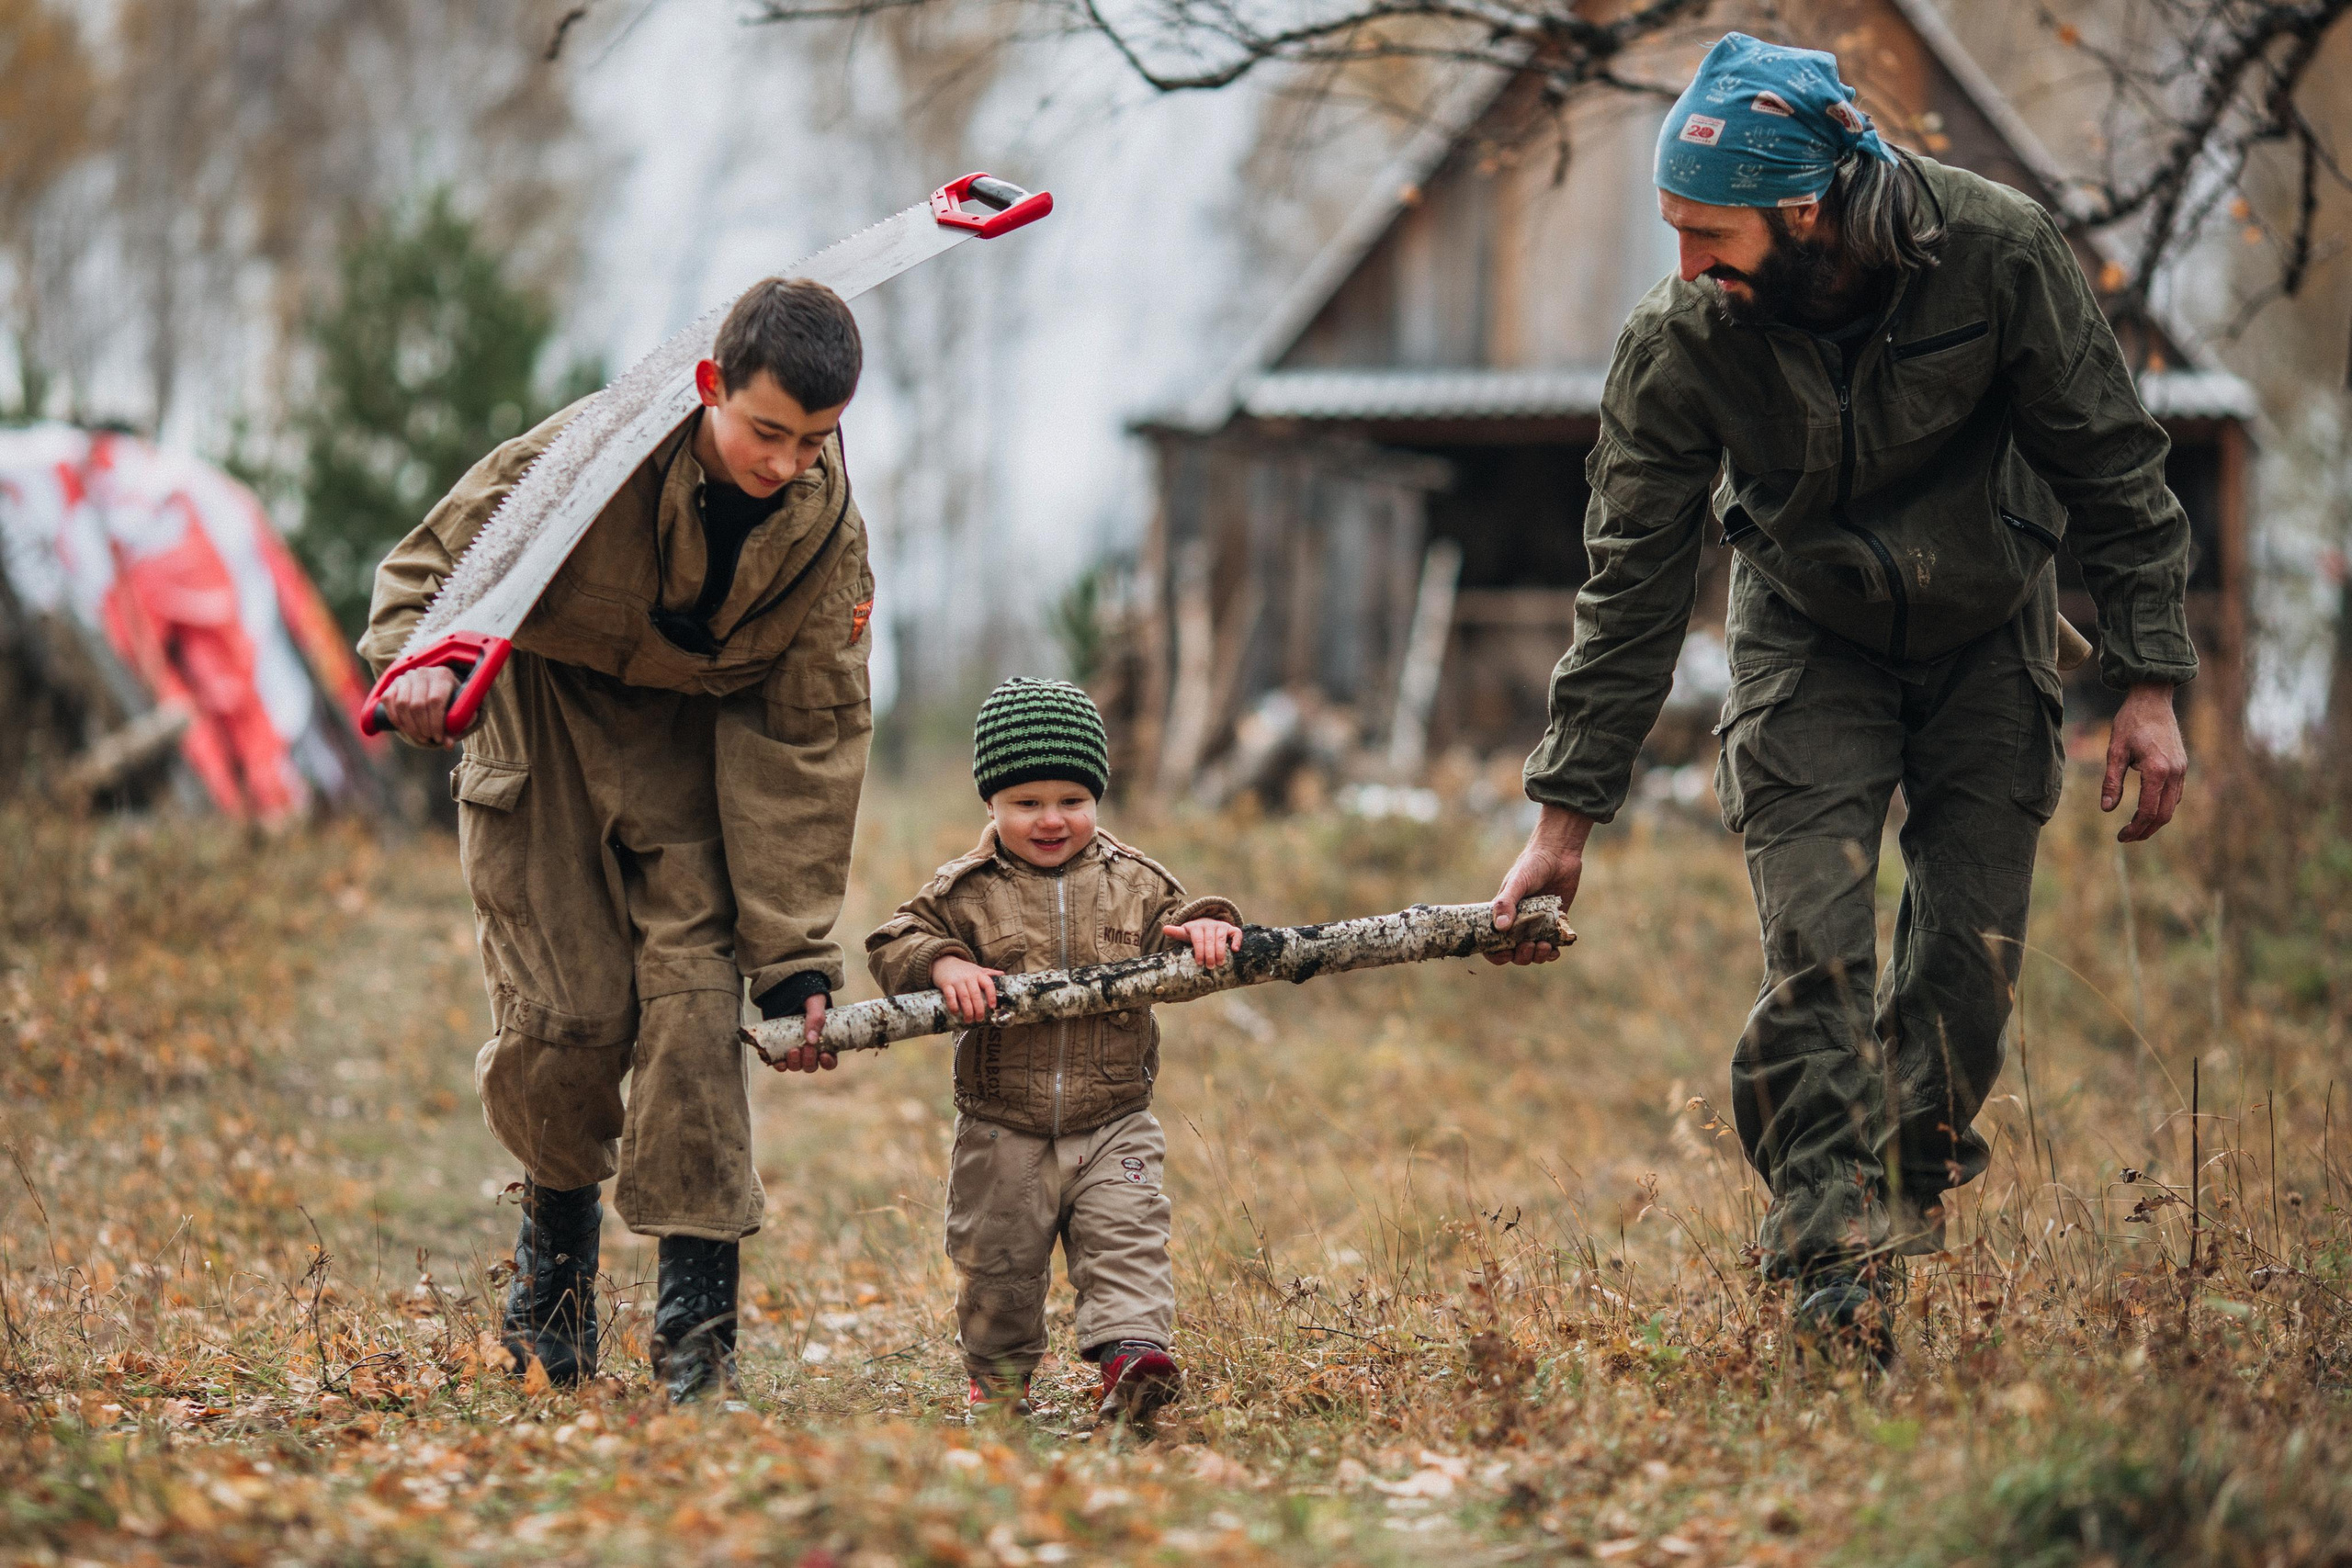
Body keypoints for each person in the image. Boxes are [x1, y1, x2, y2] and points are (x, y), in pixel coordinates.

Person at [1487, 34, 2195, 1359]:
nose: (1686, 263)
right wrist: (1562, 815)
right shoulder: (1683, 337)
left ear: (1804, 211)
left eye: (1709, 233)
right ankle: (1836, 1270)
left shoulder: (1998, 252)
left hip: (1995, 628)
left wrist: (2149, 678)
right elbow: (1630, 583)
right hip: (1808, 638)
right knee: (1816, 952)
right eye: (1674, 232)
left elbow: (2115, 463)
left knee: (1966, 977)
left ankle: (1892, 1195)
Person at [361, 277, 876, 1402]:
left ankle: (699, 1330)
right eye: (766, 431)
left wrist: (792, 956)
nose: (786, 462)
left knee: (696, 1012)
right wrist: (425, 661)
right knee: (572, 1019)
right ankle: (554, 1274)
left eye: (815, 440)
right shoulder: (587, 452)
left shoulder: (823, 535)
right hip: (545, 720)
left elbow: (808, 733)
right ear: (709, 389)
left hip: (691, 749)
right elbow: (434, 568)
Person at [863, 678, 1243, 1425]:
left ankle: (1132, 1361)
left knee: (1128, 1238)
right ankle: (1001, 1385)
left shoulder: (1135, 880)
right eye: (1026, 802)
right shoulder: (964, 890)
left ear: (1096, 795)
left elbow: (1190, 914)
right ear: (992, 804)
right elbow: (893, 940)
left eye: (1071, 798)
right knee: (998, 1268)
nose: (1050, 819)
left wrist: (1209, 928)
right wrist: (944, 964)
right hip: (1003, 1123)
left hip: (1114, 1117)